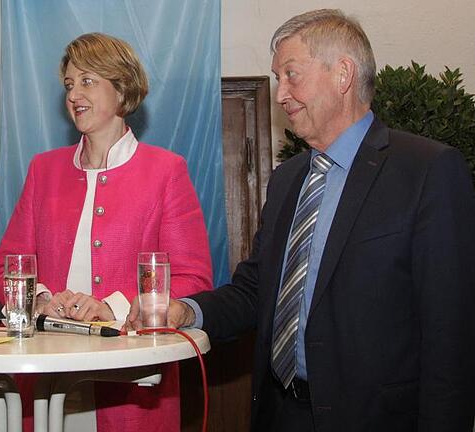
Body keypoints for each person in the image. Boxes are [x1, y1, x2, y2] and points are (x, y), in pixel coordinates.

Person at [126, 9, 475, 432]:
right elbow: (255, 291)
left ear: (343, 74)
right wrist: (186, 311)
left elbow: (450, 335)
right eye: (278, 78)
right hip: (281, 415)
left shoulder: (426, 171)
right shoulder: (288, 179)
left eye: (291, 74)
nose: (280, 94)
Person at [0, 33, 213, 431]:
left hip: (131, 389)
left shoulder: (166, 171)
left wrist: (115, 307)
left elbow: (192, 279)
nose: (74, 93)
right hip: (45, 381)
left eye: (88, 80)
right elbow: (5, 271)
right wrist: (39, 300)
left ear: (122, 89)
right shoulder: (43, 170)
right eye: (69, 84)